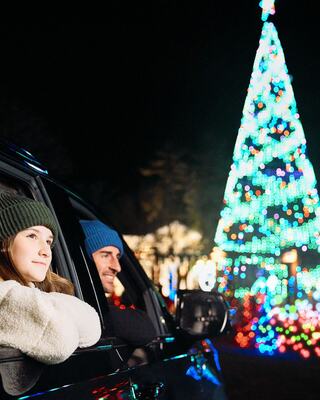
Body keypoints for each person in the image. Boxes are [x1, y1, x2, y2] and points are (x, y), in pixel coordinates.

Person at [0, 192, 101, 365]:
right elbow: (60, 339)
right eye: (32, 236)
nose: (46, 251)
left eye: (48, 241)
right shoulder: (6, 296)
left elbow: (93, 328)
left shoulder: (32, 292)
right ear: (3, 242)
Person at [80, 219, 156, 346]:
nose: (117, 267)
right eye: (105, 255)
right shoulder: (73, 309)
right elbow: (146, 331)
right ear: (84, 260)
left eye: (117, 256)